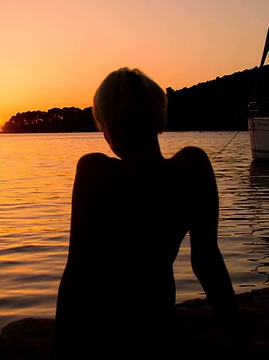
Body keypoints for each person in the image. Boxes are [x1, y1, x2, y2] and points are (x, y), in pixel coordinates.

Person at [50, 67, 253, 359]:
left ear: (107, 124)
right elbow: (208, 263)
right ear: (158, 113)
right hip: (158, 324)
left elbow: (78, 272)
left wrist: (58, 353)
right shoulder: (194, 166)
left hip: (104, 334)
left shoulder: (96, 171)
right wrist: (242, 342)